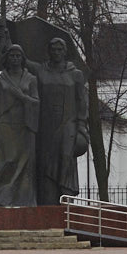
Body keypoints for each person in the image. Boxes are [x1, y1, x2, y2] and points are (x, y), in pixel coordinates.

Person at [29, 37, 89, 206]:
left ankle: (66, 199)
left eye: (59, 49)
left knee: (65, 160)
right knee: (46, 164)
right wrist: (2, 31)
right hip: (45, 126)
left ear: (65, 52)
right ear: (49, 52)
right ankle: (47, 202)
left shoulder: (75, 74)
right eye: (53, 49)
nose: (56, 52)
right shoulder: (41, 71)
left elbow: (81, 102)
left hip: (67, 125)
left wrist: (82, 125)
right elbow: (20, 58)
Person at [0, 45, 39, 206]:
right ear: (7, 59)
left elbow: (36, 102)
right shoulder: (1, 79)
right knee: (6, 159)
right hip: (6, 123)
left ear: (22, 58)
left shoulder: (31, 79)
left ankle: (23, 196)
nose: (15, 59)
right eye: (12, 56)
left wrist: (23, 97)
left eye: (18, 56)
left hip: (24, 124)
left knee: (24, 161)